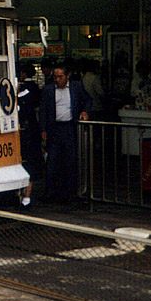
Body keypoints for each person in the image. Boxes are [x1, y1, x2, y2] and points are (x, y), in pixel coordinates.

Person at [40, 64, 92, 205]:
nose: (57, 80)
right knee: (52, 161)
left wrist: (85, 111)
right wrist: (43, 130)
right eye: (55, 77)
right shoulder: (48, 90)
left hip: (69, 127)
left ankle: (70, 192)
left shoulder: (76, 87)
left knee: (70, 160)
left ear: (67, 76)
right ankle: (51, 192)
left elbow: (87, 100)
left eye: (60, 77)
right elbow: (43, 110)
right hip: (54, 128)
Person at [17, 62, 44, 207]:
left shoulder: (27, 88)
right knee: (30, 162)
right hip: (31, 129)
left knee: (27, 162)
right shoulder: (34, 88)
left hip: (26, 130)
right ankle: (26, 195)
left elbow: (20, 101)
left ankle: (25, 194)